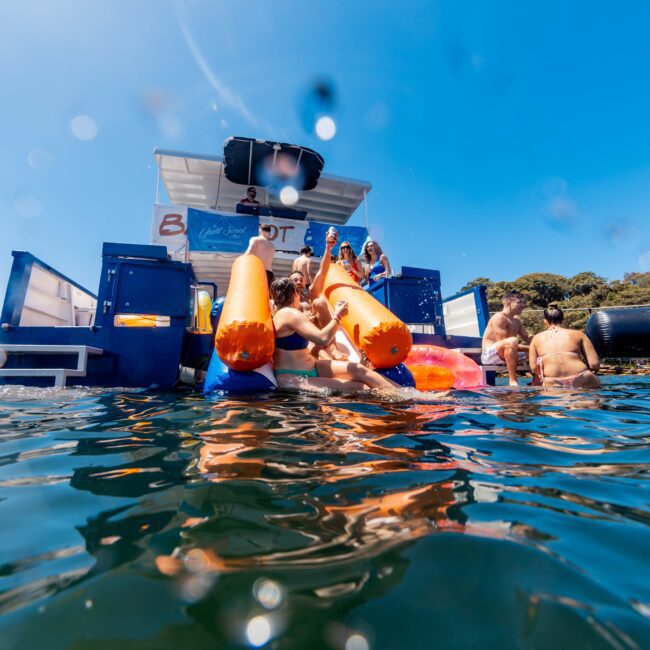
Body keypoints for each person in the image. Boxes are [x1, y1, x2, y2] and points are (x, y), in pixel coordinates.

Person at [270, 277, 397, 393]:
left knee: (358, 369)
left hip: (311, 367)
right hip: (295, 377)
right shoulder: (290, 313)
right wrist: (338, 315)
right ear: (294, 294)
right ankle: (407, 398)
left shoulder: (281, 315)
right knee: (362, 388)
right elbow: (323, 339)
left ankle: (404, 395)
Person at [529, 305, 601, 388]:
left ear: (545, 321)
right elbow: (594, 364)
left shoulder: (536, 338)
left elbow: (534, 368)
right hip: (582, 378)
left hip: (552, 382)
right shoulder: (578, 334)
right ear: (562, 320)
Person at [481, 290, 532, 386]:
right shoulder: (499, 317)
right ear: (508, 302)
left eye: (523, 302)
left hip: (509, 353)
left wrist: (543, 340)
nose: (523, 305)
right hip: (490, 356)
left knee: (541, 346)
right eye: (519, 302)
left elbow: (528, 337)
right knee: (512, 341)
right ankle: (513, 381)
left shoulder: (516, 320)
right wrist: (533, 347)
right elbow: (504, 342)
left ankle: (537, 379)